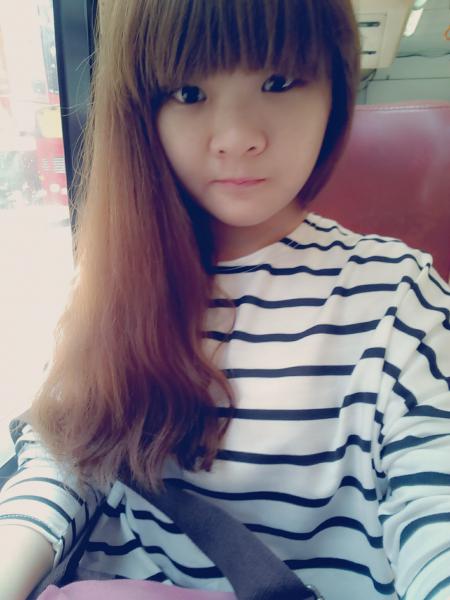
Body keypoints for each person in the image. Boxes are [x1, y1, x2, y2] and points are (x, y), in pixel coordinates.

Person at [0, 1, 449, 599]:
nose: (238, 138)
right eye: (189, 93)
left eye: (279, 82)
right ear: (142, 111)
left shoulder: (398, 295)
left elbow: (433, 501)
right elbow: (64, 458)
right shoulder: (111, 280)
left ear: (335, 90)